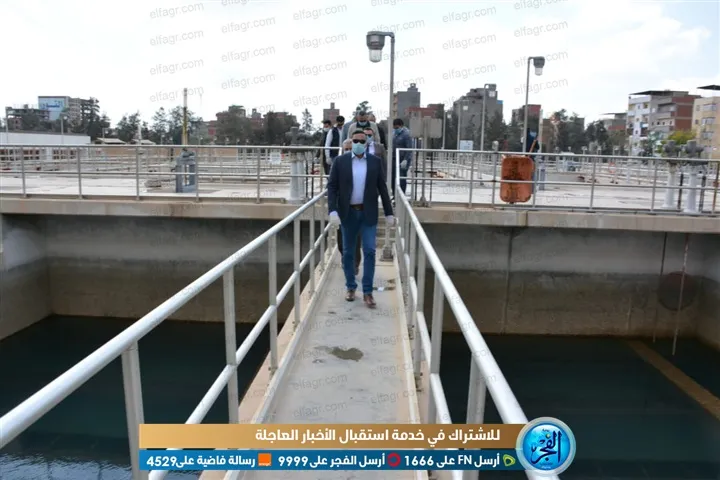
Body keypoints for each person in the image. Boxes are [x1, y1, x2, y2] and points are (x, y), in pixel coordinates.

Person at [328, 129, 394, 308]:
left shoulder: (374, 162)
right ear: (351, 141)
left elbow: (382, 188)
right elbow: (332, 187)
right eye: (355, 141)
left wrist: (389, 212)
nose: (358, 144)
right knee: (348, 252)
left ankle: (367, 292)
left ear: (366, 144)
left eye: (361, 141)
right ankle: (350, 287)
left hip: (368, 213)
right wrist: (332, 210)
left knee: (370, 251)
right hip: (348, 213)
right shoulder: (340, 162)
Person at [335, 138, 361, 275]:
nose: (349, 151)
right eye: (346, 149)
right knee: (341, 239)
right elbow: (332, 186)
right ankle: (345, 257)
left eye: (351, 149)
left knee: (355, 238)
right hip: (342, 207)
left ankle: (354, 264)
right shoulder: (338, 164)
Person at [391, 118, 412, 201]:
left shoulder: (407, 134)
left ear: (401, 126)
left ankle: (401, 197)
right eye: (394, 128)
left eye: (397, 128)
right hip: (394, 159)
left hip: (402, 160)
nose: (395, 129)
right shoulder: (394, 133)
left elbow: (409, 148)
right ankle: (395, 195)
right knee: (393, 178)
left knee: (401, 178)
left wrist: (406, 160)